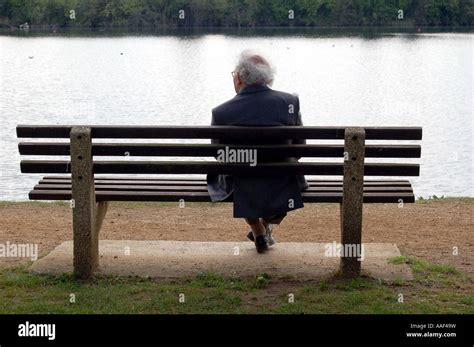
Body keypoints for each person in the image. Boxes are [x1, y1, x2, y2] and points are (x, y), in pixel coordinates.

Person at [207, 49, 309, 253]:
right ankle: (261, 228)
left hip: (241, 181)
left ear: (239, 77)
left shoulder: (221, 112)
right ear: (268, 78)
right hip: (282, 180)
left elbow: (219, 154)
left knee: (241, 179)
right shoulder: (290, 103)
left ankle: (257, 229)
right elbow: (300, 147)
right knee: (290, 179)